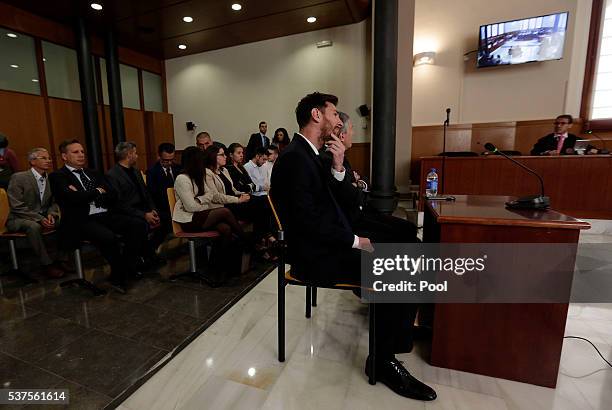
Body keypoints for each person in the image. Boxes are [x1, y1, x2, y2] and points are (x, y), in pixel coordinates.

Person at [270, 92, 436, 401]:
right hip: (314, 256)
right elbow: (308, 222)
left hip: (330, 241)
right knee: (397, 265)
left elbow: (340, 205)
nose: (338, 120)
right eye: (333, 113)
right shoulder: (295, 158)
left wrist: (338, 166)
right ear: (317, 116)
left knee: (408, 249)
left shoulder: (313, 153)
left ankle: (395, 337)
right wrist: (356, 241)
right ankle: (383, 361)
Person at [49, 139, 148, 294]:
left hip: (104, 213)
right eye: (75, 152)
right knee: (108, 237)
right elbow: (72, 199)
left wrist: (87, 194)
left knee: (138, 224)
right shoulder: (58, 176)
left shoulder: (93, 172)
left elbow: (112, 194)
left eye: (82, 151)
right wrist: (97, 191)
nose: (81, 155)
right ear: (64, 156)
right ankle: (120, 275)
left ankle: (126, 267)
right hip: (80, 219)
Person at [321, 111, 419, 243]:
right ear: (343, 136)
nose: (354, 133)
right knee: (407, 236)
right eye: (352, 129)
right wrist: (356, 185)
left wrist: (358, 184)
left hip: (362, 213)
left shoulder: (342, 157)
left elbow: (363, 181)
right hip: (353, 222)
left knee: (410, 228)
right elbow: (349, 195)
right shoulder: (330, 158)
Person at [173, 147, 247, 282]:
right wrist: (203, 201)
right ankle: (245, 240)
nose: (203, 164)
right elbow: (191, 207)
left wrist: (200, 200)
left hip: (201, 215)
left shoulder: (196, 176)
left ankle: (217, 271)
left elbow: (210, 195)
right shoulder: (182, 179)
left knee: (226, 229)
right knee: (224, 211)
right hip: (189, 221)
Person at [6, 148, 64, 278]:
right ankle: (46, 264)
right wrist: (39, 218)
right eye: (43, 158)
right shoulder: (19, 177)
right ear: (32, 161)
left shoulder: (51, 179)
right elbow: (16, 206)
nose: (48, 161)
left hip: (42, 216)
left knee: (64, 219)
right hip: (18, 217)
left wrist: (52, 214)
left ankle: (59, 259)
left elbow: (54, 202)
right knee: (34, 226)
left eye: (49, 158)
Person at [106, 142, 164, 267]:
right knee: (139, 225)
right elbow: (118, 204)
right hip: (123, 213)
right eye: (135, 153)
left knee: (164, 218)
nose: (137, 156)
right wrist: (144, 215)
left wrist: (153, 209)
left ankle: (148, 254)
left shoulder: (136, 172)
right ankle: (131, 263)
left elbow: (146, 194)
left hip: (141, 210)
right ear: (129, 154)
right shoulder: (112, 175)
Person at [146, 142, 182, 242]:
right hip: (162, 207)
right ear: (159, 157)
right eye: (166, 160)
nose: (169, 163)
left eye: (171, 160)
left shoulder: (178, 168)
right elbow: (151, 194)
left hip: (178, 205)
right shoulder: (152, 172)